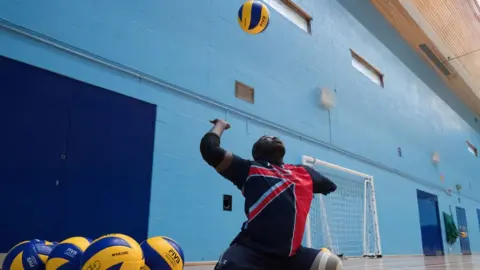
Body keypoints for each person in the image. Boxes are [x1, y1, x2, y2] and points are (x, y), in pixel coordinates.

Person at [200, 119, 343, 270]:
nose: (274, 138)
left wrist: (303, 187)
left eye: (275, 137)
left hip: (290, 257)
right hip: (252, 253)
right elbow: (209, 149)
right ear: (257, 153)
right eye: (266, 138)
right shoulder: (249, 170)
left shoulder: (303, 172)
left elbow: (330, 186)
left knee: (331, 264)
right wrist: (220, 125)